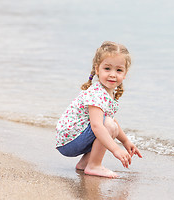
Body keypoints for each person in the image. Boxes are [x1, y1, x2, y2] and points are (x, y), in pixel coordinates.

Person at [56, 41, 142, 178]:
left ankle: (86, 163)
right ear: (97, 70)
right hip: (70, 141)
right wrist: (116, 149)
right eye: (107, 69)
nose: (113, 74)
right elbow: (97, 126)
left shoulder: (107, 92)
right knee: (108, 125)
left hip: (73, 139)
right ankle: (94, 166)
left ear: (125, 74)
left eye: (119, 70)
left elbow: (111, 121)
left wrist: (125, 141)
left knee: (110, 124)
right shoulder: (97, 93)